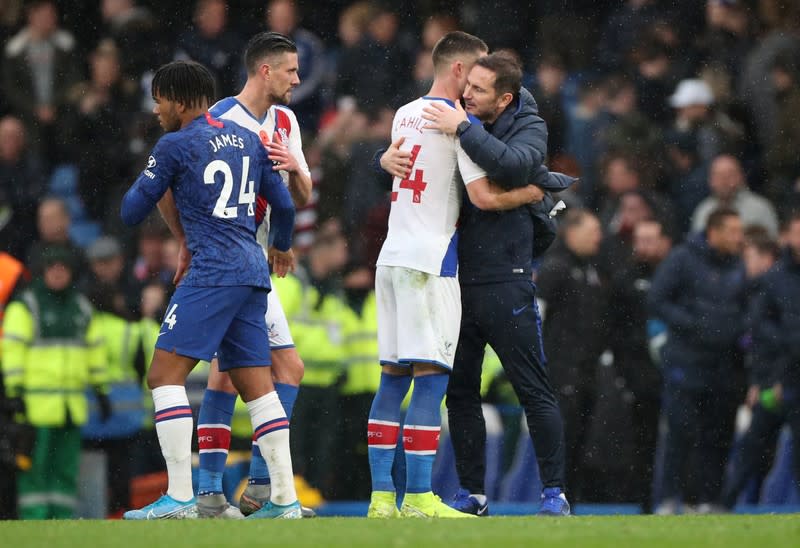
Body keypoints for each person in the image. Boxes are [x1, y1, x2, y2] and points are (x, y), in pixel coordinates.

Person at [365, 31, 544, 519]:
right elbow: (485, 197)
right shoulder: (456, 123)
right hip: (431, 263)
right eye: (477, 74)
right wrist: (531, 195)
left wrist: (382, 159)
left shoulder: (404, 112)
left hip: (392, 256)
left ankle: (382, 498)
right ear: (461, 71)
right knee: (430, 380)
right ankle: (421, 496)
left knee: (392, 380)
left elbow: (398, 163)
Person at [119, 60, 300, 520]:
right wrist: (280, 247)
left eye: (159, 99)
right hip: (252, 270)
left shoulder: (175, 144)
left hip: (212, 270)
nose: (156, 108)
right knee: (259, 389)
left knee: (162, 375)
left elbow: (131, 211)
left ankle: (180, 496)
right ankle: (284, 500)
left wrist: (156, 172)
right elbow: (284, 204)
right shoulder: (246, 139)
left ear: (179, 101)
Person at [394, 51, 572, 515]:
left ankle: (554, 492)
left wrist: (464, 130)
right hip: (455, 278)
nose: (466, 94)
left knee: (533, 389)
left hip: (506, 278)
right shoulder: (460, 114)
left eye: (478, 90)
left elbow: (514, 165)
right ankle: (472, 493)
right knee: (462, 394)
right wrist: (384, 158)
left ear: (506, 98)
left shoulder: (527, 124)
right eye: (467, 84)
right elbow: (418, 157)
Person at [192, 31, 313, 519]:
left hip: (258, 264)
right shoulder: (219, 120)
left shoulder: (286, 120)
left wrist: (293, 170)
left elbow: (301, 195)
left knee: (249, 375)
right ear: (265, 71)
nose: (297, 79)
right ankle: (229, 492)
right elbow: (197, 195)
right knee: (243, 376)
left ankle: (239, 492)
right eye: (290, 70)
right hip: (228, 264)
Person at [648, 207, 748, 514]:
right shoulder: (682, 259)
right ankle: (668, 499)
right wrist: (693, 325)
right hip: (686, 361)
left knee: (718, 434)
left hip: (725, 363)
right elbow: (657, 299)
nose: (739, 238)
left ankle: (708, 501)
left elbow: (750, 305)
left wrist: (737, 329)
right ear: (713, 231)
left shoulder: (740, 264)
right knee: (681, 431)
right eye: (732, 231)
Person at [2, 245, 108, 519]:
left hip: (70, 406)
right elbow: (12, 350)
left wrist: (101, 390)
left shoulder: (81, 308)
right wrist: (15, 392)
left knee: (65, 468)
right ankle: (35, 519)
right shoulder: (28, 306)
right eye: (53, 268)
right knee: (35, 467)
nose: (59, 273)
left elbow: (94, 351)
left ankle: (61, 519)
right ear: (43, 271)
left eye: (64, 268)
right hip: (36, 407)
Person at [720, 217, 795, 510]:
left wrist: (778, 380)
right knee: (754, 451)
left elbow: (783, 344)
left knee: (755, 450)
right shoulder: (757, 291)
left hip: (783, 383)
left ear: (767, 258)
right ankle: (734, 505)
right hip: (767, 382)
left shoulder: (776, 291)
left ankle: (727, 505)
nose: (744, 263)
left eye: (749, 256)